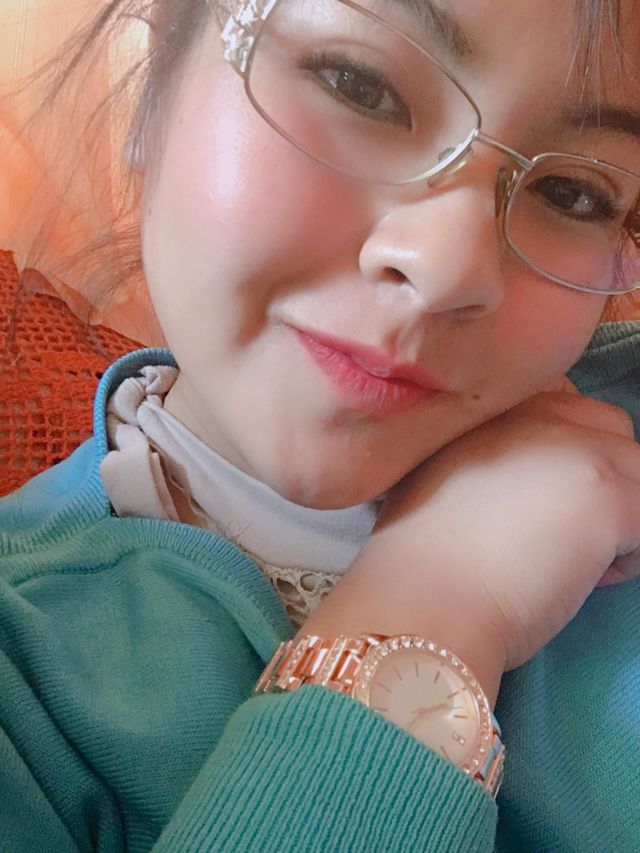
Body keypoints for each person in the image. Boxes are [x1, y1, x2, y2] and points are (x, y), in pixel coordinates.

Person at [1, 0, 639, 849]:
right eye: (359, 85)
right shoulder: (24, 677)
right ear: (158, 70)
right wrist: (439, 606)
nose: (450, 266)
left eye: (574, 192)